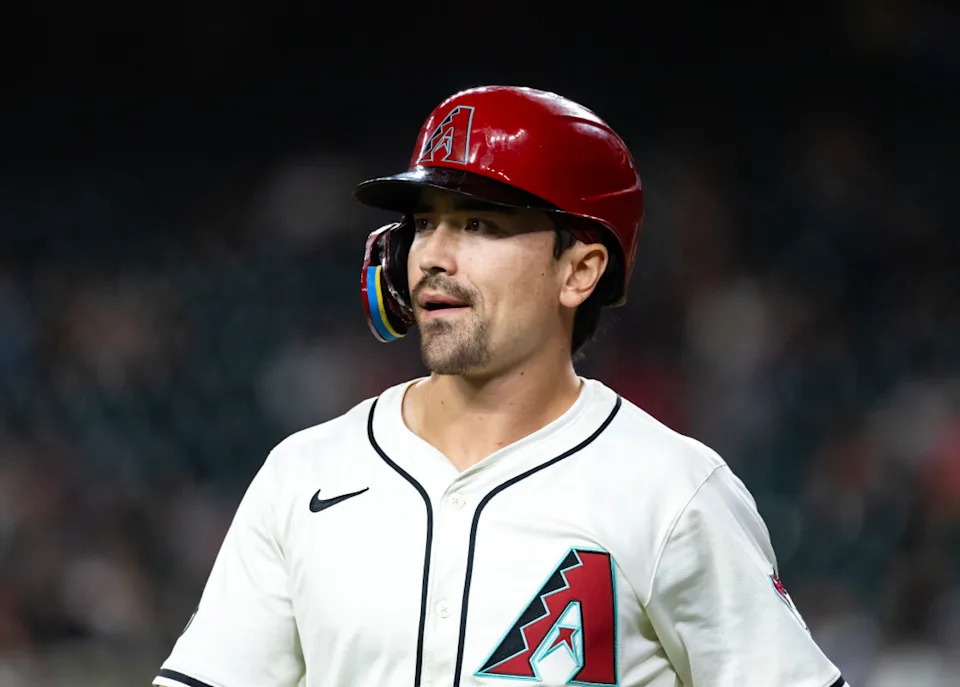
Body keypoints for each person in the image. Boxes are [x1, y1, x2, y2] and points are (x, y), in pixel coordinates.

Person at [153, 85, 847, 687]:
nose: (433, 257)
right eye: (425, 222)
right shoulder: (304, 476)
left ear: (579, 271)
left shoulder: (671, 491)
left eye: (480, 223)